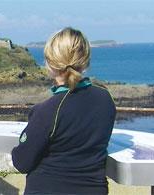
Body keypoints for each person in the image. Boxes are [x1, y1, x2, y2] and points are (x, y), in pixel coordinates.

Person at [11, 27, 116, 194]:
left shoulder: (47, 111)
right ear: (85, 60)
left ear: (50, 63)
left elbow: (22, 162)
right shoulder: (105, 98)